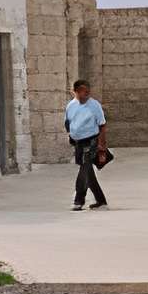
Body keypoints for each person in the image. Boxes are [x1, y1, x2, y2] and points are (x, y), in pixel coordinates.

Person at [65, 77, 109, 209]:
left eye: (87, 91)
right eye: (82, 91)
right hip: (78, 142)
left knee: (84, 168)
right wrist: (72, 134)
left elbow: (102, 125)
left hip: (91, 141)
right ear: (75, 92)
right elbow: (68, 122)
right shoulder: (70, 106)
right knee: (87, 170)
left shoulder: (94, 105)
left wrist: (102, 146)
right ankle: (101, 200)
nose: (85, 94)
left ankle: (79, 201)